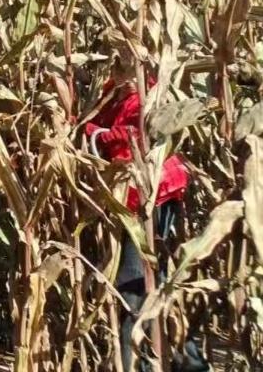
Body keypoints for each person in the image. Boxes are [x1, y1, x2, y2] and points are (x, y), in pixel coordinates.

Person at [82, 56, 206, 372]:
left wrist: (94, 132)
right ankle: (186, 360)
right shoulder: (115, 93)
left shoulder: (148, 94)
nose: (115, 74)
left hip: (152, 195)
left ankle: (138, 362)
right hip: (136, 196)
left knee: (134, 281)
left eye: (119, 67)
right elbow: (96, 119)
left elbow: (137, 132)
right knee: (157, 278)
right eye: (114, 68)